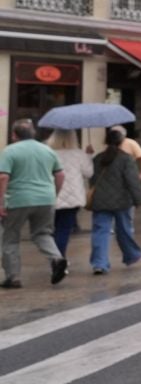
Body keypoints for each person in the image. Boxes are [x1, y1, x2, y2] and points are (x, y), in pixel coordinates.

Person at [0, 120, 67, 288]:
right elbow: (60, 175)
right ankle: (57, 259)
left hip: (18, 199)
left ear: (14, 135)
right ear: (33, 134)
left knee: (10, 238)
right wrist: (54, 195)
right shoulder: (47, 150)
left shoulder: (9, 151)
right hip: (46, 198)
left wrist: (1, 202)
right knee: (42, 233)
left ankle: (13, 277)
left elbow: (3, 177)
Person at [88, 130, 141, 273]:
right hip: (122, 201)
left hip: (100, 201)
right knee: (123, 231)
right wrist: (138, 200)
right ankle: (132, 255)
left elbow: (92, 179)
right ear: (122, 142)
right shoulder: (126, 159)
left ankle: (99, 264)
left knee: (100, 232)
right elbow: (133, 181)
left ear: (106, 142)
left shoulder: (97, 158)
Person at [51, 131, 92, 263]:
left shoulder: (49, 152)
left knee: (53, 229)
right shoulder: (79, 153)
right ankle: (59, 260)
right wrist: (89, 155)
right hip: (72, 198)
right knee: (64, 230)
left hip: (51, 195)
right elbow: (89, 173)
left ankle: (55, 257)